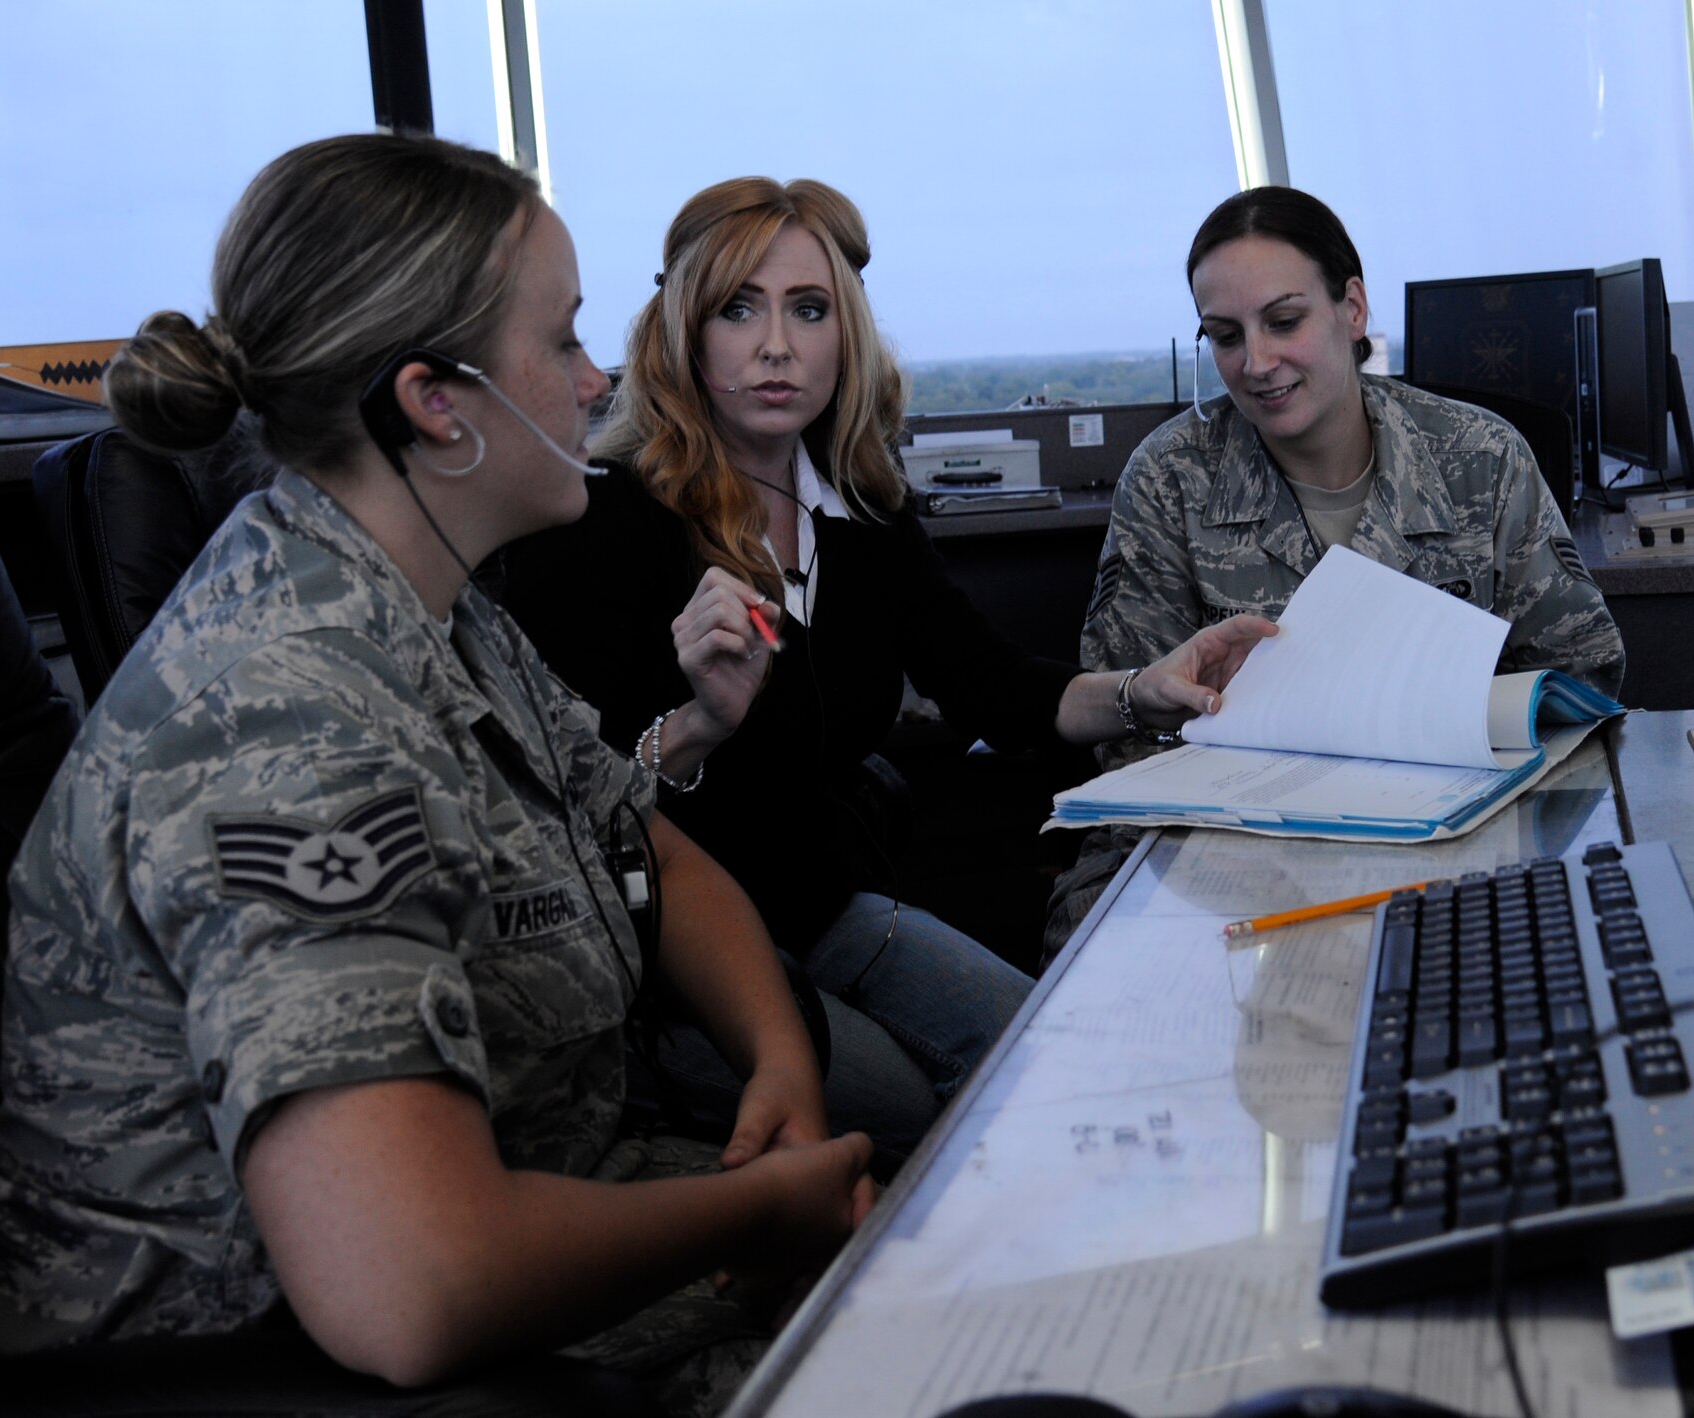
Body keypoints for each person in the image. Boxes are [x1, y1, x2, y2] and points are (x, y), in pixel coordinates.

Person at [0, 135, 880, 1417]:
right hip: (263, 1355)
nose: (596, 376)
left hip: (543, 1205)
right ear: (437, 402)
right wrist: (758, 1207)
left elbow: (640, 845)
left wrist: (780, 1064)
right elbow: (411, 1285)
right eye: (560, 342)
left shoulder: (434, 601)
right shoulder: (288, 723)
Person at [499, 177, 1276, 1156]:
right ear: (684, 332)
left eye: (808, 309)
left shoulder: (859, 512)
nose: (775, 344)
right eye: (738, 308)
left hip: (826, 910)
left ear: (845, 335)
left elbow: (988, 681)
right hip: (669, 964)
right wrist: (698, 722)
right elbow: (564, 813)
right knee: (932, 1126)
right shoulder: (605, 518)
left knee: (1062, 1062)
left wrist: (1140, 691)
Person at [1042, 186, 1626, 963]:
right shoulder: (1171, 477)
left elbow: (1582, 683)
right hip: (1217, 860)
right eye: (1225, 336)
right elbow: (1128, 733)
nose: (1255, 363)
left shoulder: (1478, 460)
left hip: (1443, 846)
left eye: (1284, 322)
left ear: (1352, 309)